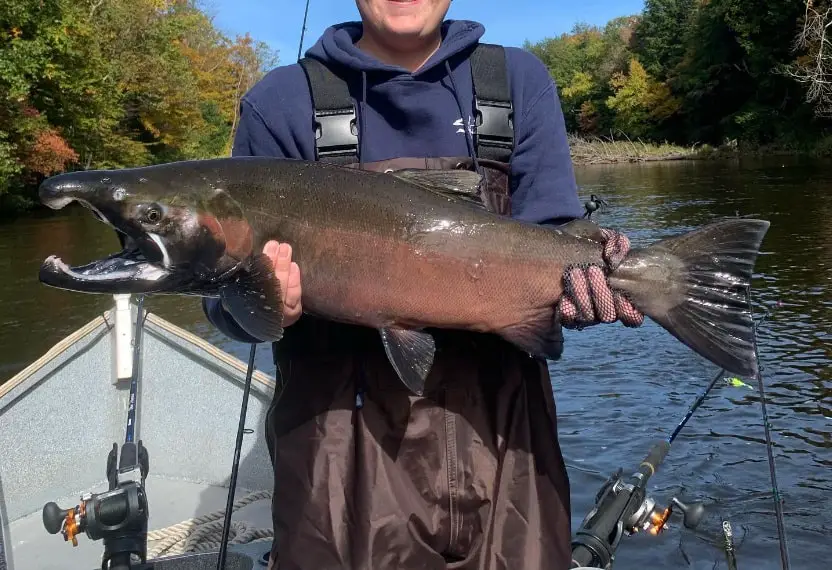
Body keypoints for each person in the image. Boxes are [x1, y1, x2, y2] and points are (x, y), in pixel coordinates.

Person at [203, 1, 643, 568]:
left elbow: (554, 234)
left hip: (510, 454)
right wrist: (267, 305)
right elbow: (221, 296)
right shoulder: (280, 103)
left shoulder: (516, 82)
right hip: (336, 464)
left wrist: (588, 283)